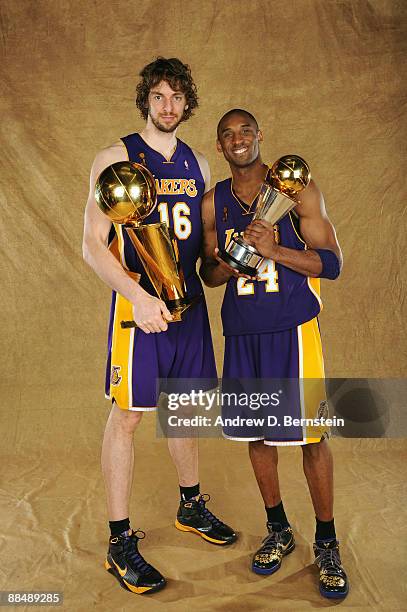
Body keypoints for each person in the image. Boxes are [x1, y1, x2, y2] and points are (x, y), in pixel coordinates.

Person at [82, 58, 236, 597]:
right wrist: (136, 296)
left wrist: (232, 264)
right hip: (140, 311)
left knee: (185, 409)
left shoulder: (198, 163)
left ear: (186, 104)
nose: (168, 106)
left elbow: (205, 248)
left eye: (177, 98)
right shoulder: (117, 156)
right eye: (159, 96)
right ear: (145, 100)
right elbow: (91, 244)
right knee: (127, 416)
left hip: (188, 307)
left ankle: (191, 505)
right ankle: (119, 540)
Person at [199, 108, 349, 600]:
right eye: (228, 135)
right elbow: (207, 274)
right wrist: (229, 263)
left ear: (260, 136)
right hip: (243, 333)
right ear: (219, 146)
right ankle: (279, 528)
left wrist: (275, 249)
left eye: (245, 131)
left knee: (310, 438)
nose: (238, 140)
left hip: (293, 331)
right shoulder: (212, 202)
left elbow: (332, 264)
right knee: (258, 436)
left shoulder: (296, 187)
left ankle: (326, 542)